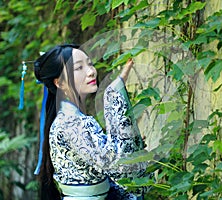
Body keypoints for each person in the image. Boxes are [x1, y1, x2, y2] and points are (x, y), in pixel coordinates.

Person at [33, 44, 146, 200]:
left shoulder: (71, 118)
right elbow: (119, 166)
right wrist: (113, 94)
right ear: (59, 83)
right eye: (79, 68)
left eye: (90, 64)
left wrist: (129, 143)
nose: (91, 71)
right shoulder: (70, 123)